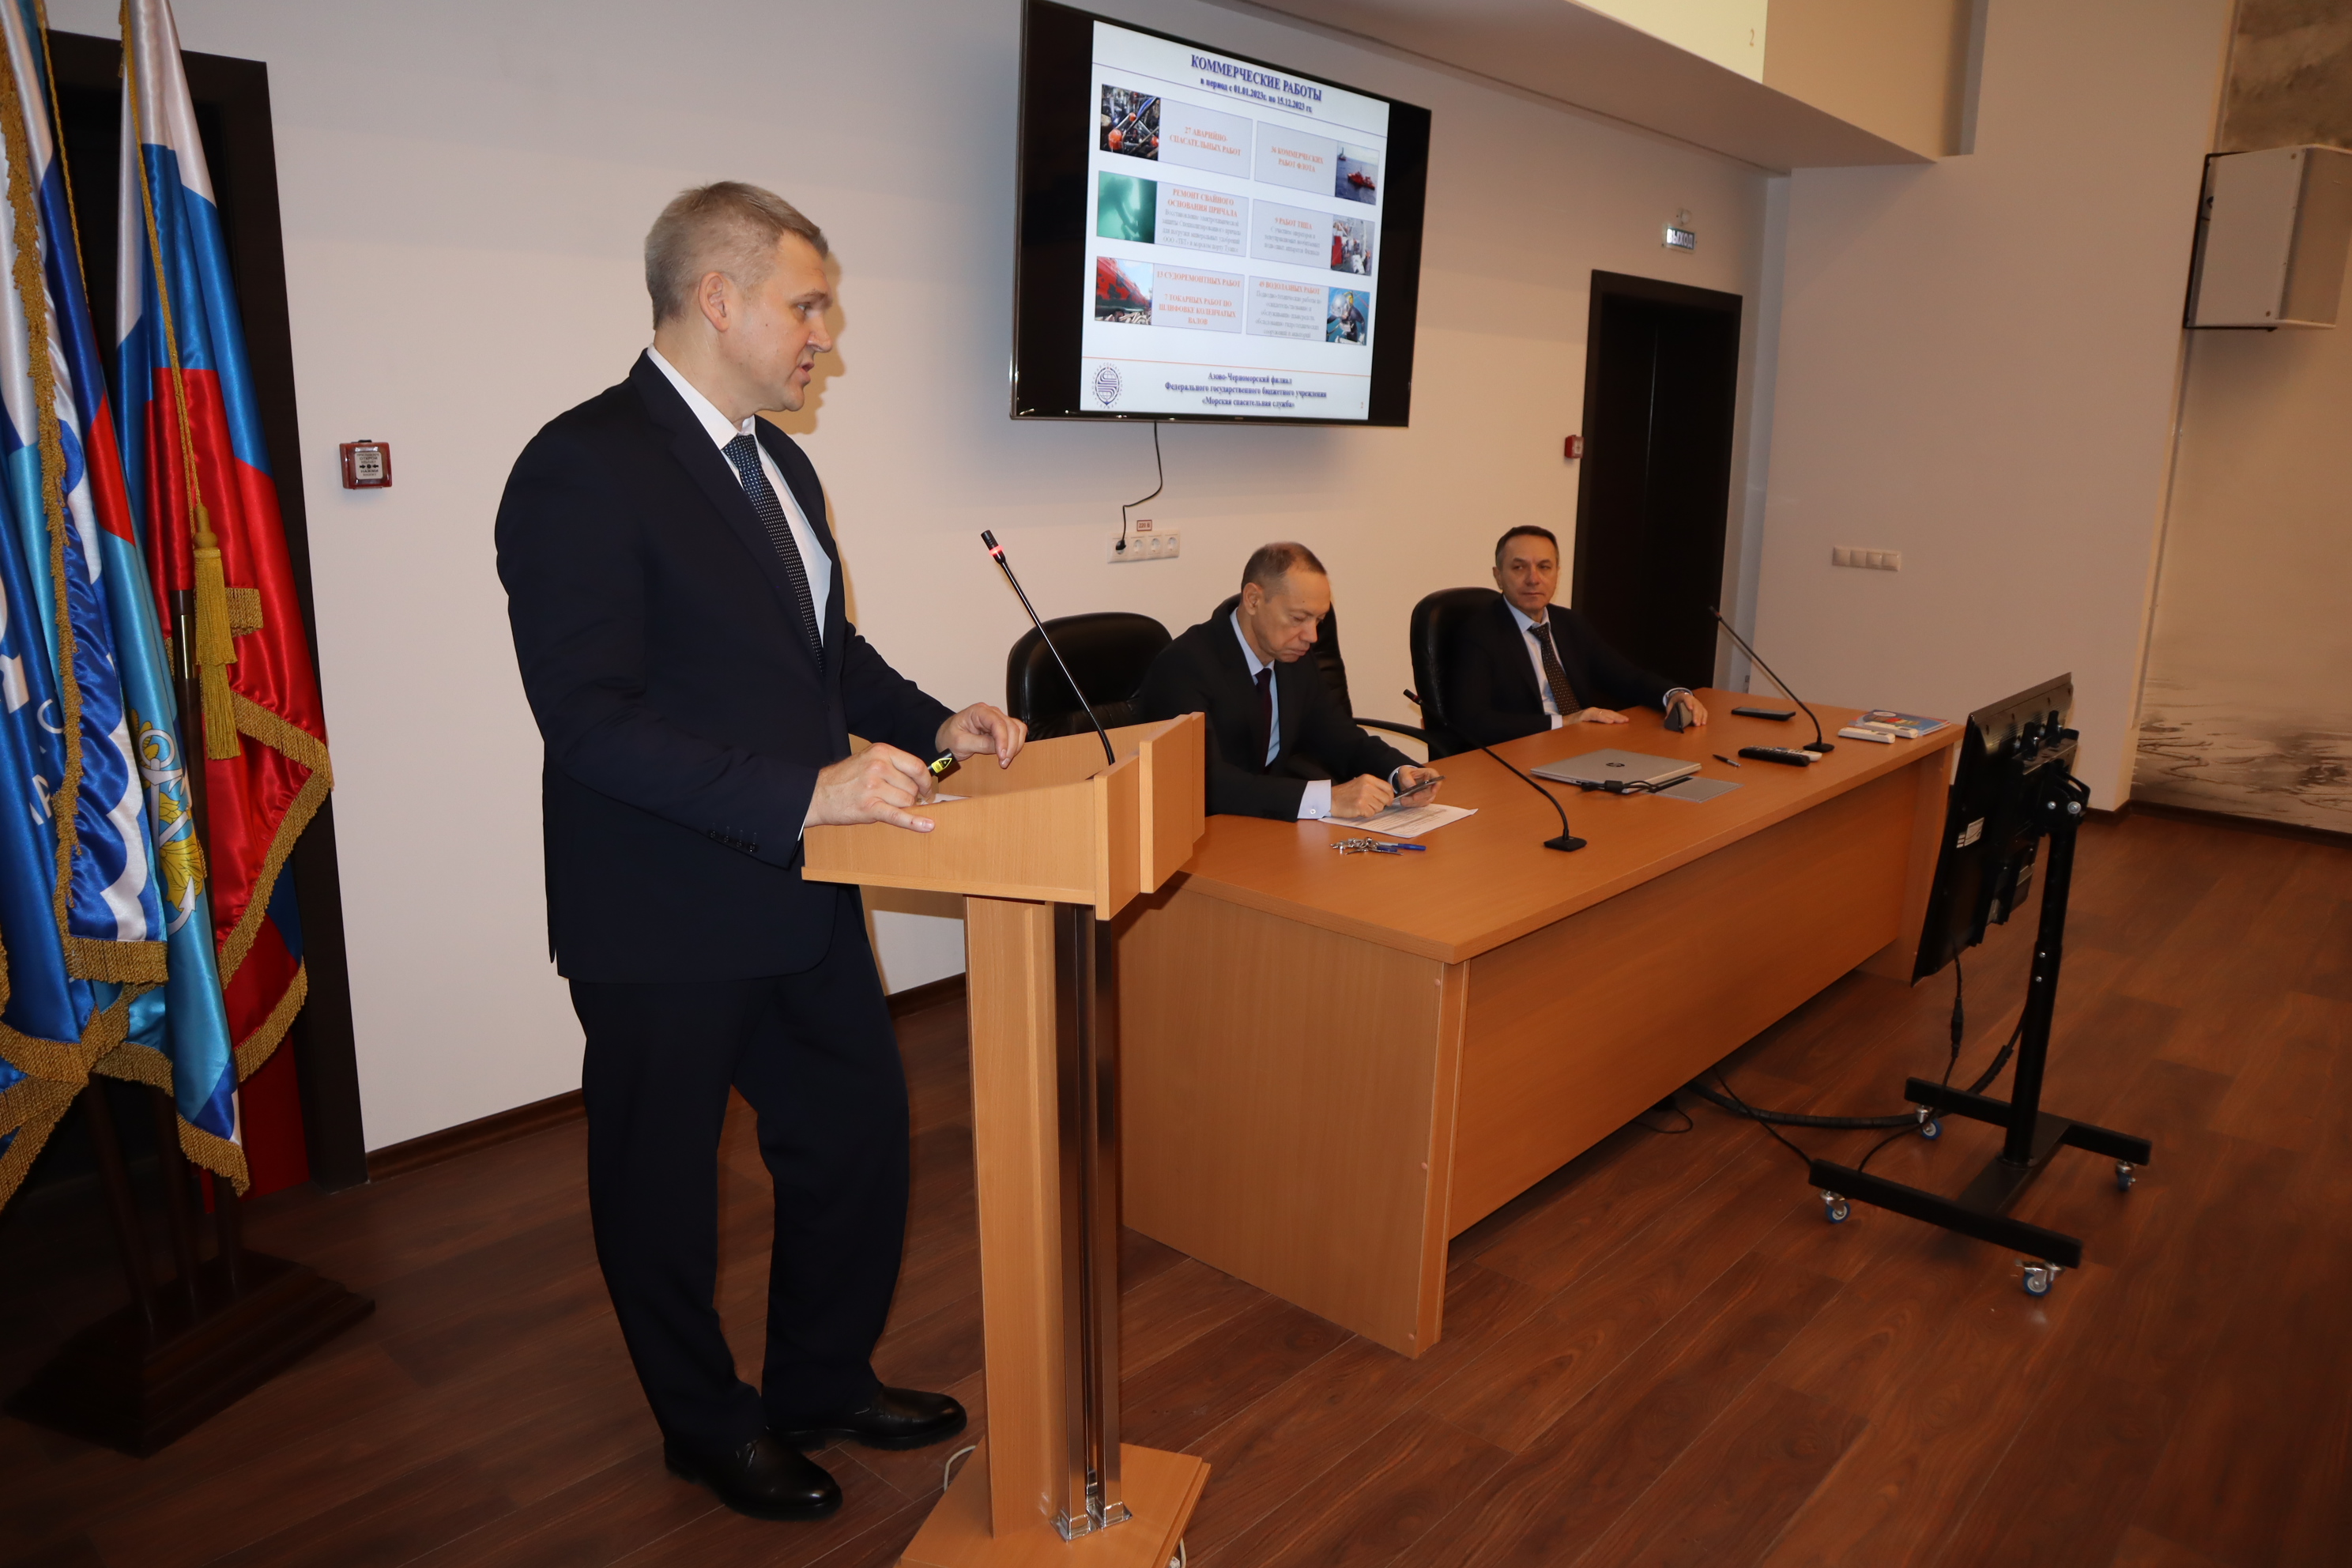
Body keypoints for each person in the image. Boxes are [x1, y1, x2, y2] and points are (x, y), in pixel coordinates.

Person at [496, 182, 1026, 1525]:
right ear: (717, 297)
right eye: (808, 305)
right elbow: (590, 720)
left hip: (799, 887)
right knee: (663, 1190)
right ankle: (706, 1425)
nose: (825, 336)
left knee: (855, 1139)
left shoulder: (779, 465)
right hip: (661, 908)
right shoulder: (580, 464)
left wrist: (935, 721)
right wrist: (807, 792)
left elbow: (823, 657)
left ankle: (820, 1382)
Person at [1136, 542, 1442, 820]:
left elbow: (1341, 738)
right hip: (1206, 830)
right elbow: (1202, 781)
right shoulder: (1185, 665)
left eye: (1318, 620)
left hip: (1269, 826)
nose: (1312, 636)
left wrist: (1400, 773)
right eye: (1298, 618)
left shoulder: (1293, 659)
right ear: (1253, 600)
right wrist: (1327, 799)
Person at [1442, 524, 1709, 747]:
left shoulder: (1570, 624)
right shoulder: (1478, 633)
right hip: (1519, 755)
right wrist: (1565, 722)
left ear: (1557, 574)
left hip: (1579, 746)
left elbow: (1627, 677)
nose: (1533, 579)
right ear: (1498, 576)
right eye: (1519, 568)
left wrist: (1672, 694)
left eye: (1544, 567)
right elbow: (1473, 721)